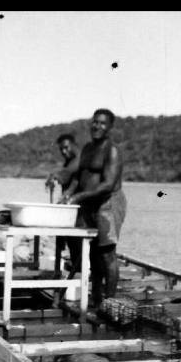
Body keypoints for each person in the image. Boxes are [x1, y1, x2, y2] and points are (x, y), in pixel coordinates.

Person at [60, 109, 127, 306]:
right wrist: (69, 194)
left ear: (109, 127)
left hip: (108, 204)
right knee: (93, 254)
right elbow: (79, 177)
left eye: (102, 123)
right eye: (95, 122)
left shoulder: (111, 150)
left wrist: (78, 196)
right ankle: (97, 301)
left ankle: (111, 303)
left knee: (107, 254)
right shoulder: (88, 148)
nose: (97, 126)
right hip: (89, 204)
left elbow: (107, 185)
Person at [45, 134, 82, 271]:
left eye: (66, 148)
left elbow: (72, 181)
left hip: (80, 209)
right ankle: (75, 272)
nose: (64, 152)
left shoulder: (80, 159)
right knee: (70, 243)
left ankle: (80, 273)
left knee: (77, 244)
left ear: (73, 145)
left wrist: (55, 176)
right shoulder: (69, 161)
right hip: (70, 208)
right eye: (61, 149)